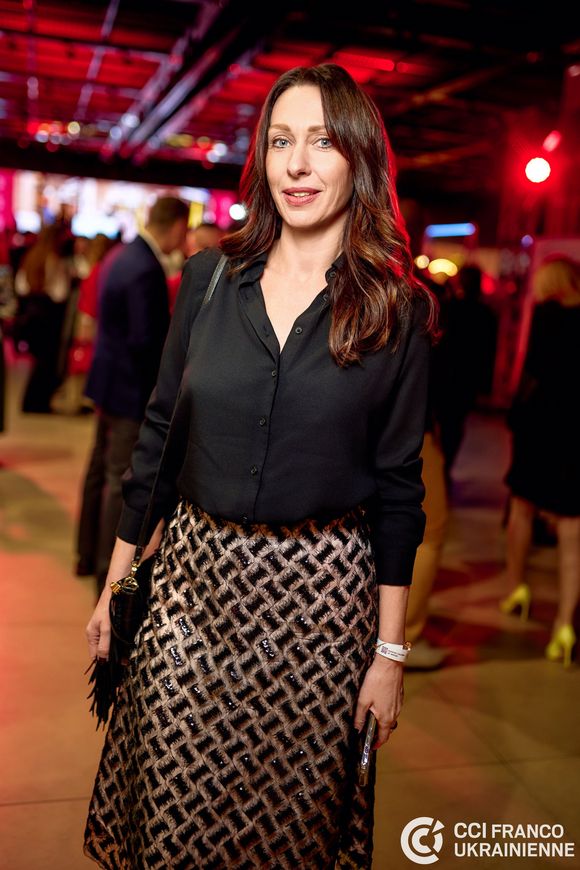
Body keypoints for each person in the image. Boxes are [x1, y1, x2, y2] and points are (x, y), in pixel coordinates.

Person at [84, 64, 436, 869]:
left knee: (284, 839)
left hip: (320, 614)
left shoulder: (396, 310)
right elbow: (159, 435)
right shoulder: (209, 280)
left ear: (358, 157)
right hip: (193, 595)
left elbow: (399, 491)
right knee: (173, 822)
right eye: (280, 142)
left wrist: (388, 656)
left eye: (321, 142)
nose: (297, 164)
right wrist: (115, 582)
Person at [76, 197, 189, 591]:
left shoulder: (123, 255)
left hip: (107, 382)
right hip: (128, 389)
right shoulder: (145, 267)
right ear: (177, 227)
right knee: (117, 481)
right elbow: (146, 341)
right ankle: (104, 572)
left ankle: (85, 554)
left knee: (98, 471)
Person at [500, 255, 580, 667]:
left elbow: (532, 370)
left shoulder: (547, 315)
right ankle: (565, 624)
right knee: (572, 531)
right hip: (575, 433)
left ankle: (518, 587)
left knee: (521, 509)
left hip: (541, 425)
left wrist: (515, 412)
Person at [14, 224, 71, 412]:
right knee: (45, 364)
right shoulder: (53, 259)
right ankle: (35, 402)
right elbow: (60, 293)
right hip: (47, 317)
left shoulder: (30, 256)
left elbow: (20, 286)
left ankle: (32, 402)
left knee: (38, 363)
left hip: (31, 317)